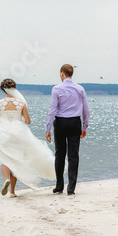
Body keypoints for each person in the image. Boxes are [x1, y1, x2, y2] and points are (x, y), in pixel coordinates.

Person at [0, 78, 56, 197]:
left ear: (3, 89)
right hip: (18, 134)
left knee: (4, 159)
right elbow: (28, 121)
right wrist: (20, 119)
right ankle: (12, 191)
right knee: (16, 160)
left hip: (4, 133)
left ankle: (6, 179)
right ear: (14, 88)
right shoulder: (21, 103)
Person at [46, 64, 90, 195]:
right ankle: (71, 188)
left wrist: (48, 128)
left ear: (62, 74)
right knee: (73, 155)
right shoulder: (80, 89)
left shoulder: (56, 89)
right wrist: (84, 126)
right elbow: (86, 109)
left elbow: (52, 109)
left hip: (60, 123)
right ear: (72, 74)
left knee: (59, 154)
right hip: (75, 122)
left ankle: (59, 186)